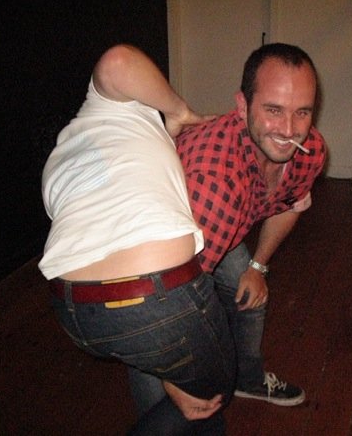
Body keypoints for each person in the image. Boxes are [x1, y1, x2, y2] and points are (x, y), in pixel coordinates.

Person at [38, 44, 235, 435]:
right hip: (156, 297)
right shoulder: (110, 105)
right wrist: (179, 111)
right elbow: (118, 62)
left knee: (185, 390)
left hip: (72, 310)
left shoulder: (61, 160)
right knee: (215, 392)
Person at [130, 43, 327, 409]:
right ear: (242, 106)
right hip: (145, 255)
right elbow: (165, 300)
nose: (289, 130)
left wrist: (257, 266)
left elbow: (290, 202)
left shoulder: (309, 150)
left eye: (302, 112)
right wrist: (175, 379)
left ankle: (247, 380)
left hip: (215, 227)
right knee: (162, 375)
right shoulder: (215, 184)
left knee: (250, 293)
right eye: (273, 110)